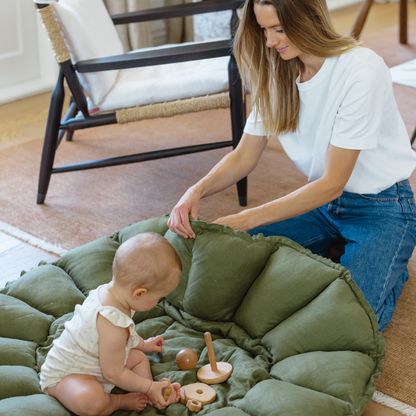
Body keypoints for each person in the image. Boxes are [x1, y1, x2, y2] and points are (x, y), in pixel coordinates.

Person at [167, 0, 416, 332]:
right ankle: (340, 252)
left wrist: (244, 218)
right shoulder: (279, 70)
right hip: (321, 205)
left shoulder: (361, 69)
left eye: (279, 29)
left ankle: (392, 261)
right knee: (223, 255)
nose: (269, 41)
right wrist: (194, 191)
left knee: (348, 325)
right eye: (264, 29)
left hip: (381, 209)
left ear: (308, 19)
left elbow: (332, 182)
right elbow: (244, 156)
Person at [39, 233, 182, 415]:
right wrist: (149, 385)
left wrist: (144, 345)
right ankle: (118, 401)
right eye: (159, 297)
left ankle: (149, 393)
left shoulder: (113, 293)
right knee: (90, 401)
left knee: (139, 358)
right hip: (69, 375)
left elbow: (125, 337)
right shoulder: (112, 323)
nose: (159, 301)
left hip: (99, 360)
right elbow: (113, 373)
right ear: (139, 293)